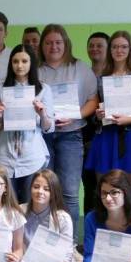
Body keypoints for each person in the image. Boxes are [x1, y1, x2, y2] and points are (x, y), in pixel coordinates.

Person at [38, 24, 98, 239]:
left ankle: (68, 243)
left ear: (66, 44)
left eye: (58, 42)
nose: (53, 46)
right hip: (42, 137)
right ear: (42, 45)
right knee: (43, 190)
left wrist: (76, 115)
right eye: (48, 42)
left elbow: (93, 100)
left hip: (71, 135)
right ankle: (43, 242)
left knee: (70, 193)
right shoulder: (36, 70)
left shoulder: (80, 67)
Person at [85, 31, 131, 190]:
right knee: (104, 187)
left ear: (130, 49)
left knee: (130, 190)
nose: (119, 50)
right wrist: (98, 115)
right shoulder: (101, 78)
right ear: (110, 50)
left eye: (123, 47)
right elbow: (95, 111)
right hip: (106, 136)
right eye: (114, 47)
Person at [0, 44, 54, 203]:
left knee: (30, 204)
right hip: (5, 155)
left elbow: (48, 127)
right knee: (6, 205)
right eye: (15, 61)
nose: (19, 65)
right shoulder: (0, 90)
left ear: (32, 63)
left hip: (31, 156)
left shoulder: (43, 89)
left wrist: (42, 113)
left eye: (24, 61)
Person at [82, 32, 111, 215]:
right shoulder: (83, 75)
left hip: (110, 139)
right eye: (91, 45)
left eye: (99, 45)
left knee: (110, 186)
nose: (94, 49)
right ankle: (91, 229)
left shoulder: (114, 76)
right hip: (86, 138)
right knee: (90, 187)